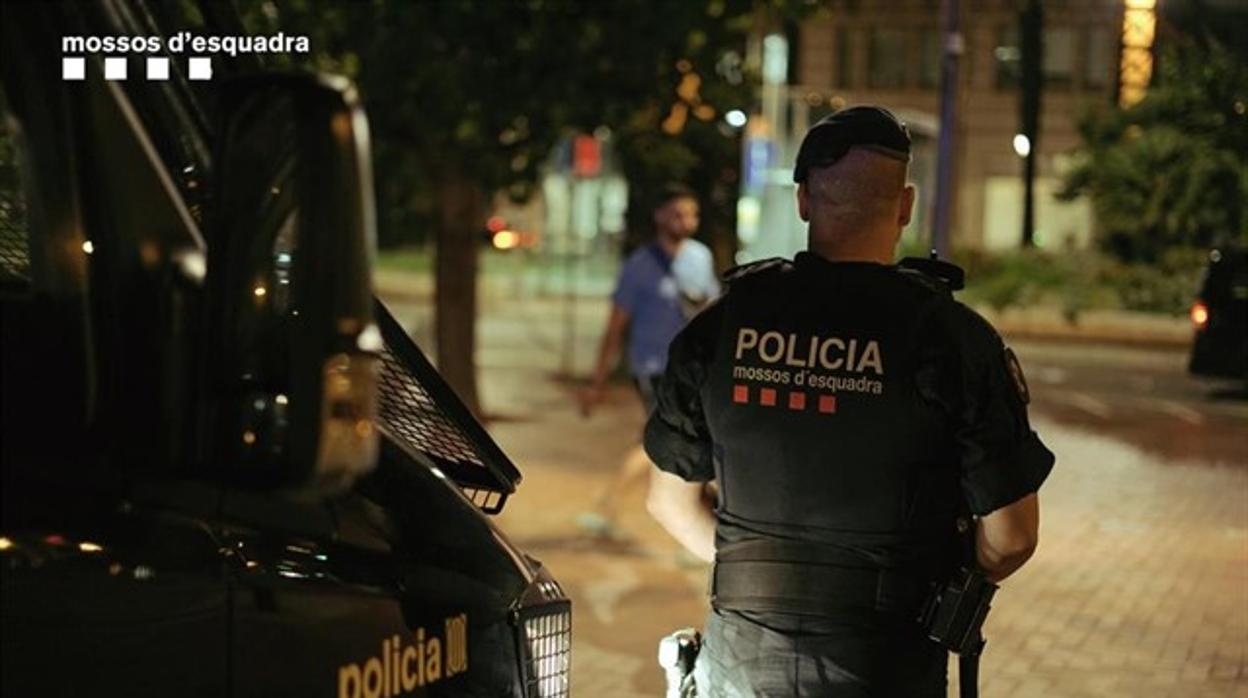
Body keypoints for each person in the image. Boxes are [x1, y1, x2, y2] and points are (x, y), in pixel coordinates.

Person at [643, 106, 1055, 696]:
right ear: (906, 205)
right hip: (884, 666)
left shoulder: (723, 328)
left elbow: (670, 503)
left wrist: (769, 574)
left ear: (804, 200)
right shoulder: (953, 340)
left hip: (741, 664)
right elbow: (1012, 536)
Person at [578, 184, 720, 540]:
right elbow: (615, 325)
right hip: (655, 368)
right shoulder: (639, 267)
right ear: (659, 216)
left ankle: (609, 506)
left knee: (661, 441)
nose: (686, 220)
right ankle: (610, 506)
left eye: (692, 213)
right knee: (665, 442)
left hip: (694, 370)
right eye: (677, 213)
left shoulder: (700, 257)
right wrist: (599, 379)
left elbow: (712, 310)